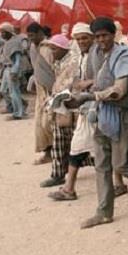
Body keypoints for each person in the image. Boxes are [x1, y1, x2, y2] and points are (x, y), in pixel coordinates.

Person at [73, 17, 128, 229]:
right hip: (102, 114)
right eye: (97, 37)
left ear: (113, 34)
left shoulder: (125, 55)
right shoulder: (95, 55)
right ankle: (104, 212)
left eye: (104, 36)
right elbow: (96, 81)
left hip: (122, 114)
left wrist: (90, 96)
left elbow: (119, 91)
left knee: (121, 165)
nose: (101, 40)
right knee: (101, 165)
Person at [47, 23, 99, 200]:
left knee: (105, 150)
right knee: (78, 146)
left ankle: (126, 184)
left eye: (85, 38)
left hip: (97, 106)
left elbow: (103, 79)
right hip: (85, 108)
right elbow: (77, 81)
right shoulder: (83, 57)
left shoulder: (97, 55)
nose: (82, 41)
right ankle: (69, 188)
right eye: (78, 39)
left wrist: (85, 84)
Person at [38, 34, 74, 188]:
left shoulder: (72, 63)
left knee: (67, 142)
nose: (52, 52)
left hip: (68, 106)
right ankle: (58, 173)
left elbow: (68, 85)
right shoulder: (59, 63)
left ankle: (61, 174)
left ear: (63, 49)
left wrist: (54, 98)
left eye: (54, 49)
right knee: (60, 141)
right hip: (59, 106)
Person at [27, 23, 55, 164]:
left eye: (32, 35)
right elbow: (36, 68)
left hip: (51, 90)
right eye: (29, 36)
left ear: (40, 33)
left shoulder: (49, 48)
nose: (31, 39)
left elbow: (54, 69)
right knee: (40, 123)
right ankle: (47, 152)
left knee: (49, 122)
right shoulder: (33, 48)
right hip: (40, 90)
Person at [0, 22, 28, 120]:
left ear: (9, 32)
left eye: (3, 32)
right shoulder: (7, 42)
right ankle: (17, 105)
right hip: (6, 68)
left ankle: (18, 113)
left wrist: (14, 72)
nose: (2, 34)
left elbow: (17, 60)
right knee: (3, 90)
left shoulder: (15, 43)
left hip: (12, 69)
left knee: (14, 91)